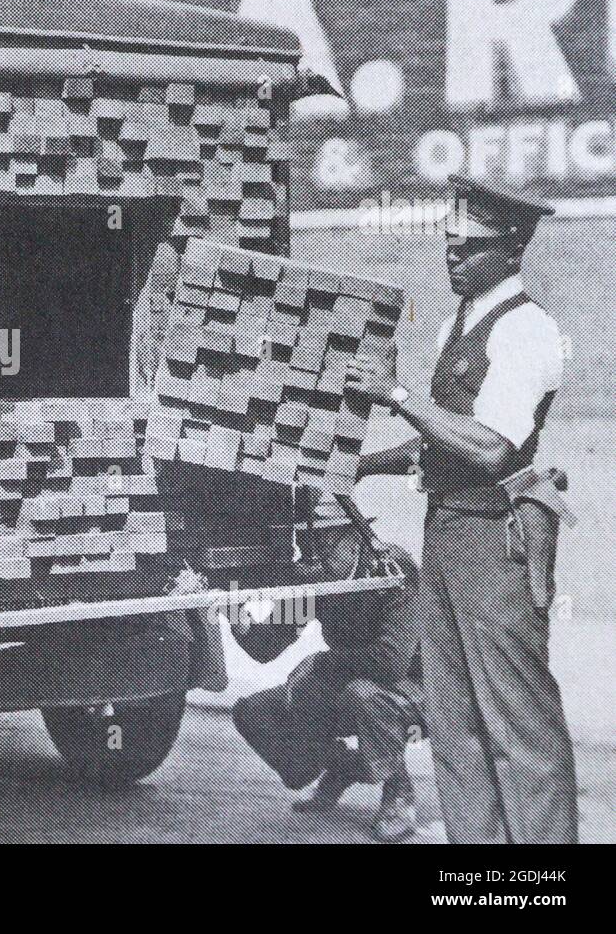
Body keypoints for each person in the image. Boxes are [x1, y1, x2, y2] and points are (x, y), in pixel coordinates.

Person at [346, 176, 577, 844]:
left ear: (511, 248)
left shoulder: (529, 329)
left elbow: (488, 445)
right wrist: (363, 463)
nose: (454, 257)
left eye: (469, 248)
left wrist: (395, 391)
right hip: (447, 529)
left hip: (496, 537)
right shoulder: (459, 323)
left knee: (518, 723)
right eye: (450, 245)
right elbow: (440, 440)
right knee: (454, 723)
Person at [232, 507, 424, 842]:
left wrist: (323, 663)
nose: (313, 555)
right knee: (253, 712)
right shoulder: (320, 583)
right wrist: (236, 613)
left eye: (323, 543)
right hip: (352, 684)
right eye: (307, 543)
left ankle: (398, 788)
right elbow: (267, 646)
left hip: (416, 693)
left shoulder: (392, 569)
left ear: (354, 541)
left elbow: (392, 661)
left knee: (361, 695)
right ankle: (344, 766)